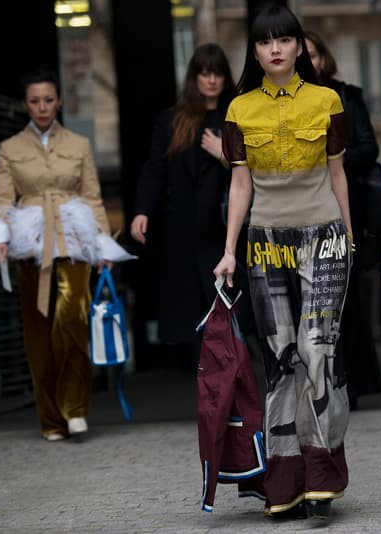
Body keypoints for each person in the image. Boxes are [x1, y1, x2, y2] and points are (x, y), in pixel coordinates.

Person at [213, 5, 352, 521]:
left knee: (319, 351)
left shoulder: (327, 100)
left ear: (298, 46)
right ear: (254, 52)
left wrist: (350, 239)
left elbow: (338, 176)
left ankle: (322, 475)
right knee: (282, 359)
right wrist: (229, 251)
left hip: (325, 236)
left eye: (284, 40)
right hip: (265, 240)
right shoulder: (239, 109)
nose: (275, 49)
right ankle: (286, 479)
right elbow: (239, 185)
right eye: (265, 42)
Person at [0, 68, 133, 441]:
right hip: (30, 246)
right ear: (26, 103)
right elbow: (2, 201)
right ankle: (51, 420)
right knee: (37, 335)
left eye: (48, 99)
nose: (42, 107)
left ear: (59, 101)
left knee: (72, 316)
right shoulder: (10, 149)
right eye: (34, 101)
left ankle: (74, 408)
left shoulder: (79, 144)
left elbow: (92, 196)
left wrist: (104, 244)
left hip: (73, 240)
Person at [130, 44, 238, 371]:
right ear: (194, 77)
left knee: (226, 310)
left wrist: (223, 154)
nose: (211, 80)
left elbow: (256, 172)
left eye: (217, 73)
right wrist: (142, 210)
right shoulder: (172, 121)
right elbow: (155, 169)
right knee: (190, 314)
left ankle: (227, 386)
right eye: (204, 73)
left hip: (222, 230)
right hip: (181, 228)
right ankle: (205, 388)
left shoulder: (237, 116)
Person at [304, 30, 381, 410]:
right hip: (299, 211)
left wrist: (332, 158)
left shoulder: (347, 97)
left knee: (345, 299)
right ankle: (316, 383)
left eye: (313, 55)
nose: (308, 62)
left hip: (341, 206)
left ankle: (352, 382)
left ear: (324, 59)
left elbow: (369, 148)